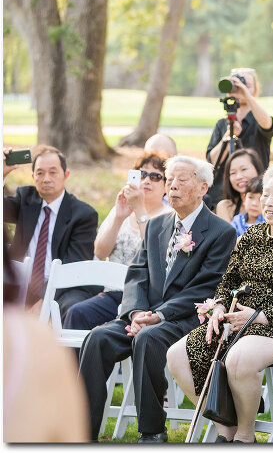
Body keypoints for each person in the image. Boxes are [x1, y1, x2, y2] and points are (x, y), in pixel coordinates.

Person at [78, 156, 237, 442]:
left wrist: (160, 314)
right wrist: (136, 312)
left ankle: (152, 433)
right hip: (143, 316)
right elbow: (137, 274)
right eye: (170, 179)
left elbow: (206, 286)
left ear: (203, 187)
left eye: (182, 180)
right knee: (97, 338)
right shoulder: (155, 226)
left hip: (184, 319)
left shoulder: (220, 232)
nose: (173, 185)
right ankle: (80, 431)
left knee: (147, 338)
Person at [167, 163, 273, 443]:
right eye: (266, 194)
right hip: (236, 321)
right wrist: (217, 307)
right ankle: (224, 429)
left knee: (239, 359)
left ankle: (245, 437)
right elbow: (228, 283)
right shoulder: (252, 236)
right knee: (177, 356)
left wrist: (260, 316)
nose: (268, 202)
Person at [64, 153, 174, 330]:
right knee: (77, 313)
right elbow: (100, 252)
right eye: (142, 174)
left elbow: (154, 254)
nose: (147, 181)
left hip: (144, 299)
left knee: (107, 331)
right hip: (113, 292)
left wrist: (139, 209)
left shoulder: (168, 216)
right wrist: (118, 217)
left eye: (155, 177)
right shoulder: (122, 209)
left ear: (165, 186)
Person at [3, 231, 89, 442]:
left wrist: (41, 298)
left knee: (76, 311)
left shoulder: (36, 344)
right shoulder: (37, 343)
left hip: (63, 297)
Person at [3, 145, 99, 315]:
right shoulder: (26, 200)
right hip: (21, 282)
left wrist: (43, 298)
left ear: (66, 175)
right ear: (33, 177)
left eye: (53, 172)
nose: (46, 178)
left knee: (71, 306)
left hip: (63, 286)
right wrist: (2, 174)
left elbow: (72, 266)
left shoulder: (83, 215)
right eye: (40, 173)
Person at [206, 67, 273, 206]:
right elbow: (211, 161)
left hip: (255, 195)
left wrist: (247, 96)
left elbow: (268, 126)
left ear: (255, 91)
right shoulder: (222, 124)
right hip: (223, 196)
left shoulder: (259, 119)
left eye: (245, 84)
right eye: (236, 83)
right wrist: (228, 136)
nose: (239, 88)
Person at [215, 148, 264, 223]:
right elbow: (229, 234)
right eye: (233, 173)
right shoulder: (226, 207)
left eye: (244, 169)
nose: (238, 177)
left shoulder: (271, 205)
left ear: (257, 170)